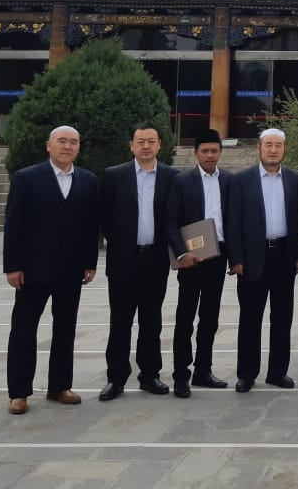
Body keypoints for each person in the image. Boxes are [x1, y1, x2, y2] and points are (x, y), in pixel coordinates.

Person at [3, 125, 100, 415]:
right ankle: (19, 392)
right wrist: (13, 266)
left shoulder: (87, 180)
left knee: (65, 329)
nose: (67, 146)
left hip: (71, 271)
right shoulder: (27, 178)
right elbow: (14, 224)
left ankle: (60, 386)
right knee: (23, 330)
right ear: (49, 145)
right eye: (62, 141)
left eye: (73, 142)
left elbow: (90, 226)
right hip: (33, 270)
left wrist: (90, 262)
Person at [98, 122, 177, 400]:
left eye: (151, 141)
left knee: (151, 321)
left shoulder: (171, 176)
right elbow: (104, 217)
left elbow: (174, 219)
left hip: (155, 261)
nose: (146, 145)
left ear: (159, 145)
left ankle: (150, 374)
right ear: (131, 145)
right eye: (140, 141)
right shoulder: (113, 175)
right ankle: (116, 378)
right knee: (120, 321)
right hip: (122, 261)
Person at [225, 128, 298, 391]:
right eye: (268, 145)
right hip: (251, 258)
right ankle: (247, 373)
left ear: (285, 149)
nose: (273, 150)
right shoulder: (241, 180)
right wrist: (235, 257)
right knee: (250, 318)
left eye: (278, 145)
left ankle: (277, 372)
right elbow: (232, 222)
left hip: (283, 256)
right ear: (258, 148)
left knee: (282, 318)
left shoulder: (294, 179)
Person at [165, 128, 232, 398]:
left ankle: (204, 370)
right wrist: (182, 254)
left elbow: (234, 219)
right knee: (185, 317)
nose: (209, 155)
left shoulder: (228, 180)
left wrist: (236, 257)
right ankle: (181, 374)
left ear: (220, 153)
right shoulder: (182, 181)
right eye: (204, 151)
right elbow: (170, 221)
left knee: (210, 318)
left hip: (218, 255)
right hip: (192, 258)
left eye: (214, 151)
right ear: (196, 153)